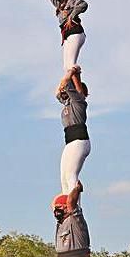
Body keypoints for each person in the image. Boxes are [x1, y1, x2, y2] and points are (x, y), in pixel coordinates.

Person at [53, 182, 95, 257]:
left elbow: (71, 202)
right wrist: (64, 183)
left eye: (59, 208)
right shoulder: (60, 223)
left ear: (66, 207)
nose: (56, 211)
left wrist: (76, 188)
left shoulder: (75, 219)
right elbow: (53, 203)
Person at [43, 0, 88, 72]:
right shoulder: (60, 4)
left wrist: (71, 17)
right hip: (67, 34)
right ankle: (76, 87)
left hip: (75, 32)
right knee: (66, 67)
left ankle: (68, 82)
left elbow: (83, 4)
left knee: (71, 64)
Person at [56, 66, 90, 195]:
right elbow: (58, 91)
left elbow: (66, 84)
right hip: (70, 142)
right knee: (64, 178)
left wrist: (71, 72)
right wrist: (74, 74)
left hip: (79, 140)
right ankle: (67, 208)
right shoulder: (68, 103)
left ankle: (74, 207)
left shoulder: (79, 101)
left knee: (71, 176)